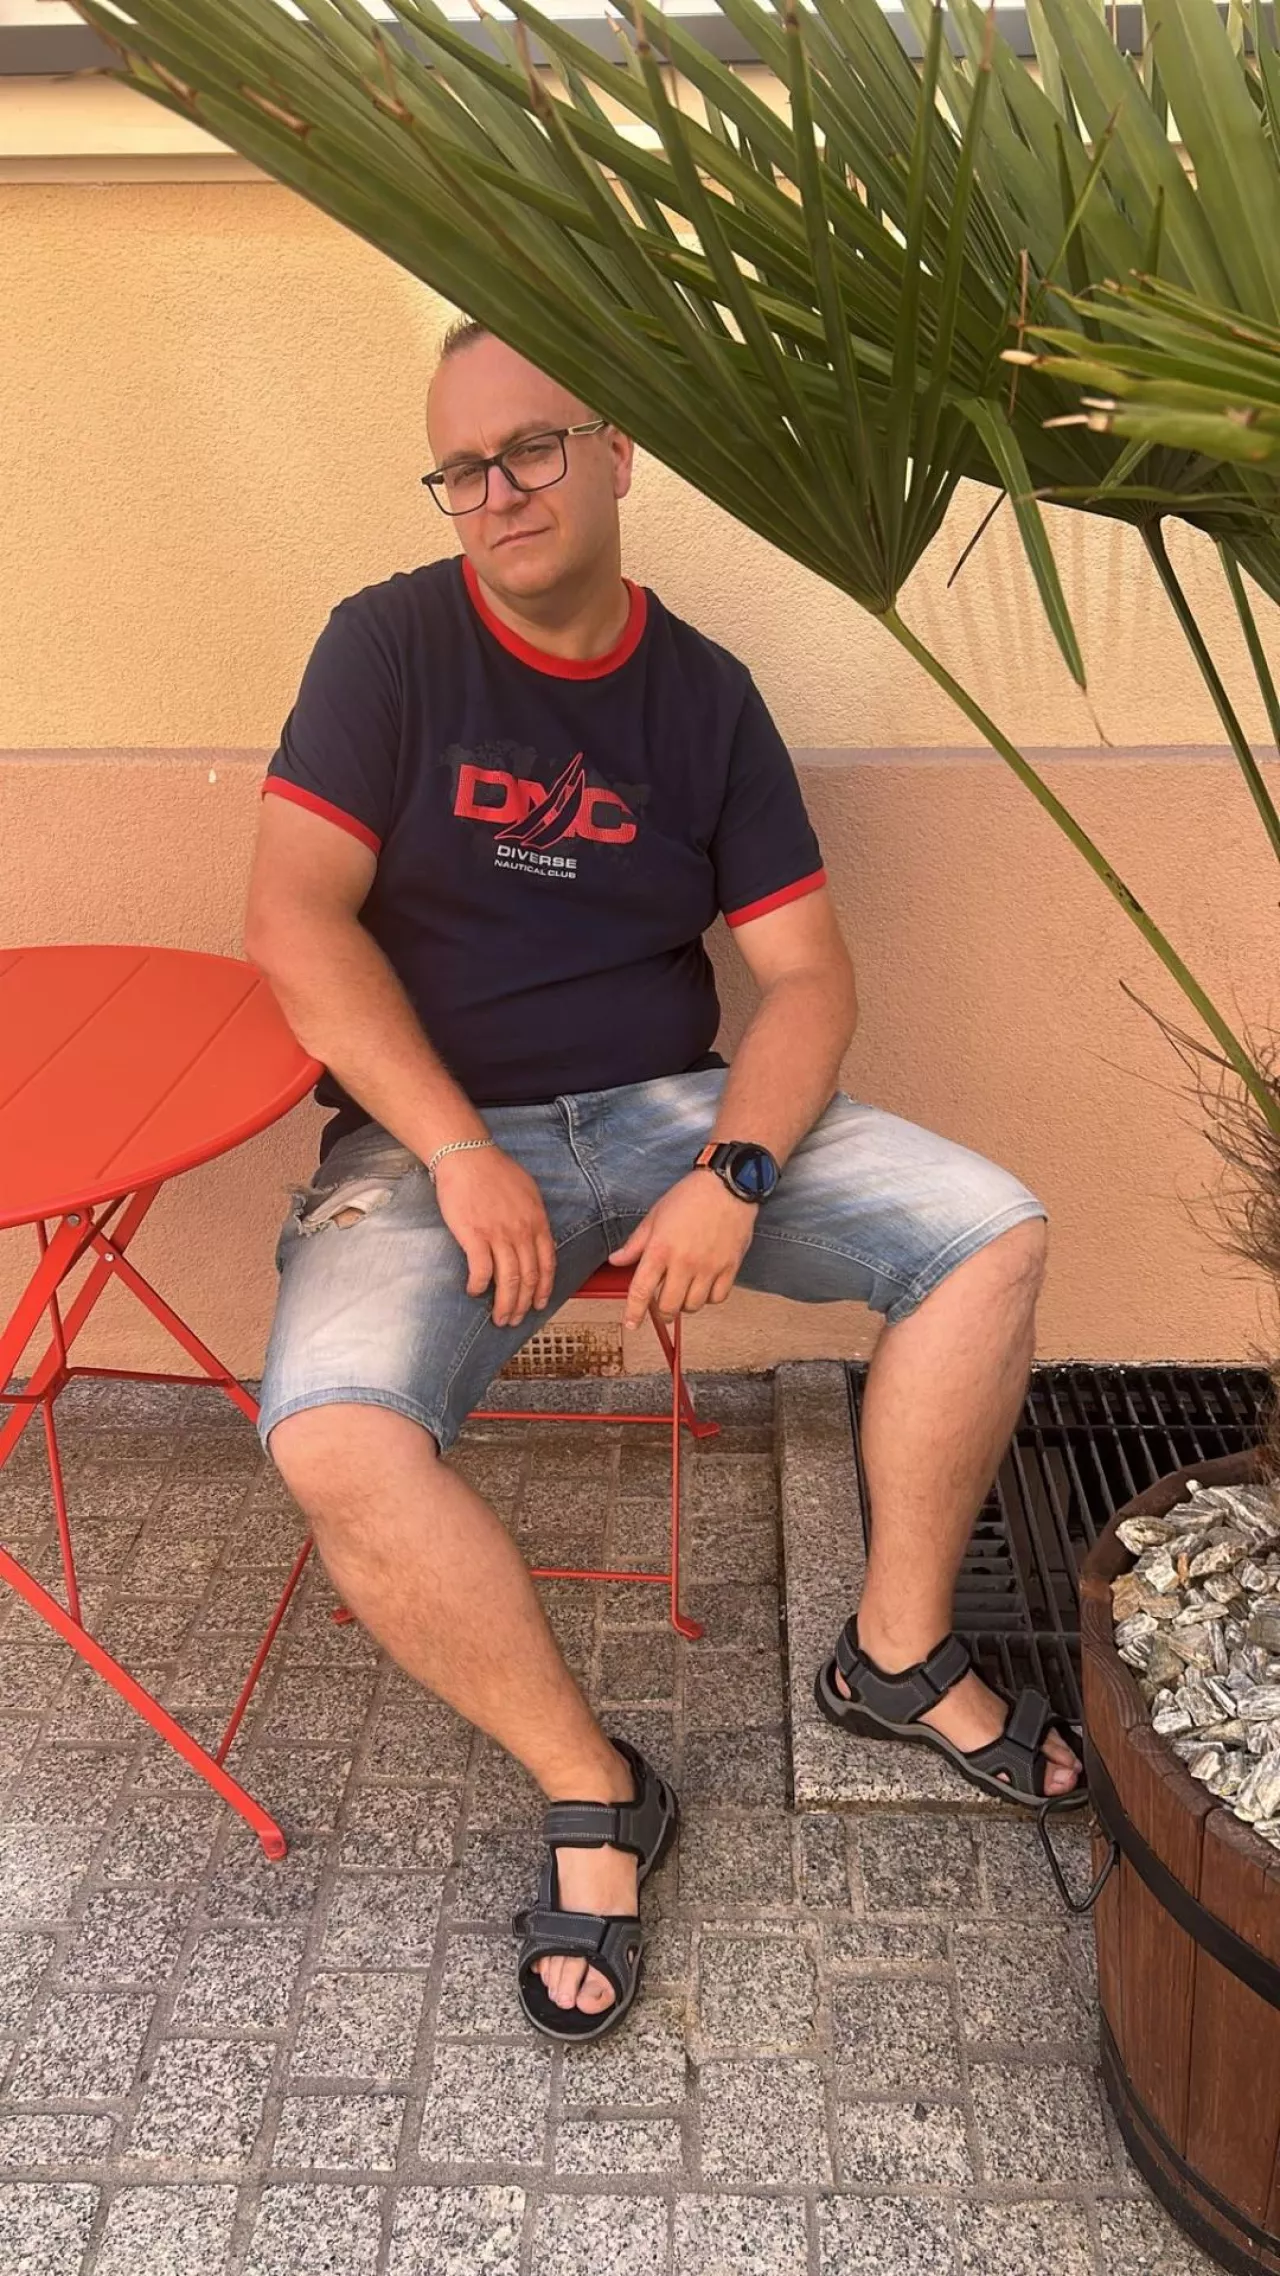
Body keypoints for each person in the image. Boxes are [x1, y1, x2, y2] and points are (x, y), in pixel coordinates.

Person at [245, 319, 1082, 2045]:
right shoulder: (387, 645)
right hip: (427, 1140)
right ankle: (595, 1783)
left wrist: (736, 1166)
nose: (496, 492)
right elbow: (293, 921)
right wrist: (457, 1146)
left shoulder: (704, 696)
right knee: (331, 1438)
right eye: (461, 469)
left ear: (617, 452)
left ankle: (897, 1656)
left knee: (991, 1233)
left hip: (670, 1110)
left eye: (531, 449)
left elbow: (811, 979)